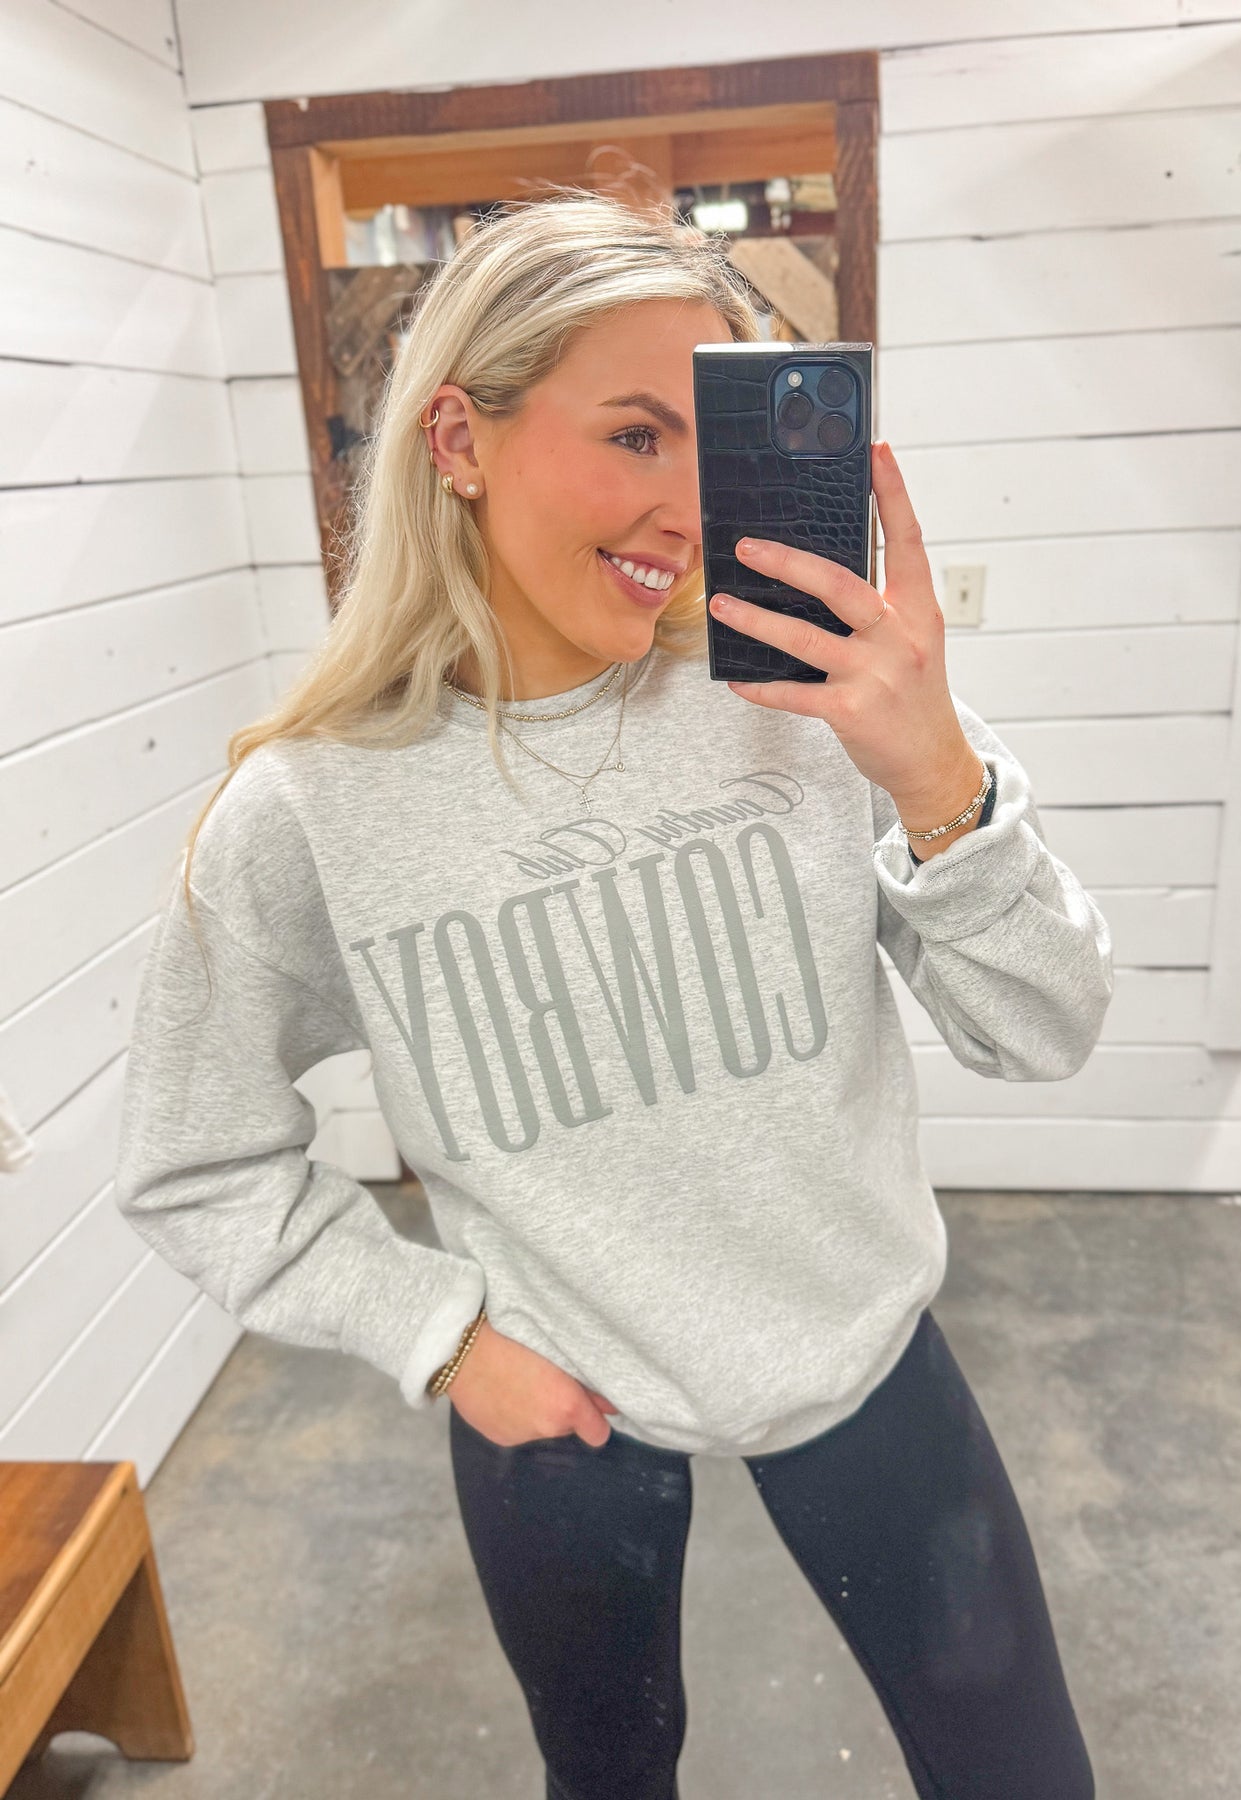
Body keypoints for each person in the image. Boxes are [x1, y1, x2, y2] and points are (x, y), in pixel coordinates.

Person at [115, 188, 1111, 1800]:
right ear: (459, 439)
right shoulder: (309, 813)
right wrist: (440, 1337)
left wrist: (938, 779)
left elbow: (1044, 1027)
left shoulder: (813, 705)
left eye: (712, 449)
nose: (682, 510)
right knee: (609, 1780)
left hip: (857, 1355)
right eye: (634, 434)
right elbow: (192, 1159)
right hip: (559, 1410)